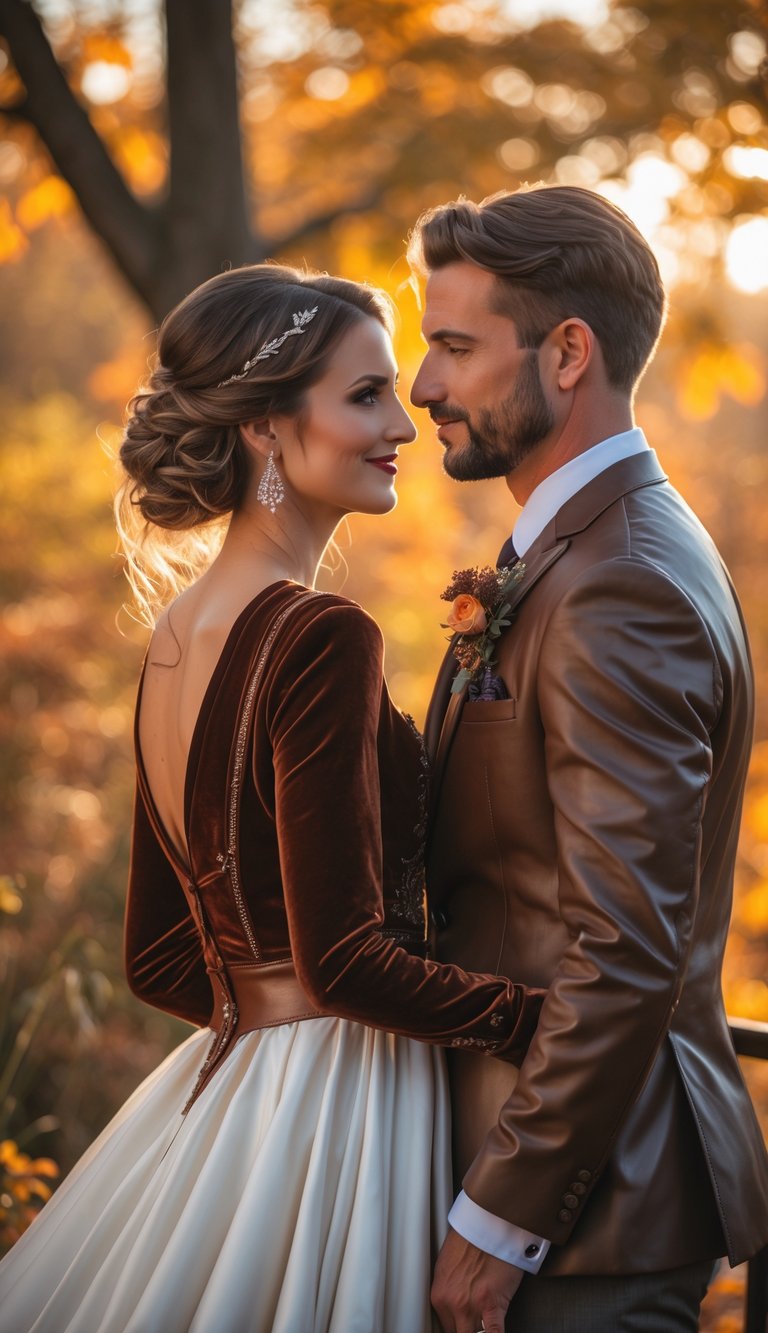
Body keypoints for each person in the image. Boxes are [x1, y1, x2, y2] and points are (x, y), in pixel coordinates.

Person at [0, 263, 545, 1333]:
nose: (403, 422)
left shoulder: (172, 639)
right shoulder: (320, 633)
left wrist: (265, 1039)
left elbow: (159, 957)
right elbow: (341, 962)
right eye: (365, 396)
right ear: (262, 427)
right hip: (344, 1107)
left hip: (230, 1090)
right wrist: (536, 1021)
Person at [407, 185, 768, 1333]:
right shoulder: (584, 548)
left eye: (454, 347)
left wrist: (500, 1216)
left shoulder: (621, 581)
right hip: (566, 1195)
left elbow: (625, 943)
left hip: (589, 1224)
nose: (422, 387)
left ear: (568, 354)